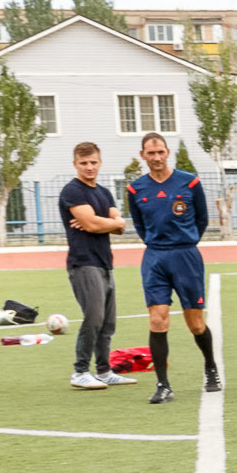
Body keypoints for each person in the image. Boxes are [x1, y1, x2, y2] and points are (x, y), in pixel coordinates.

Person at [125, 132, 219, 404]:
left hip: (186, 256)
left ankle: (211, 367)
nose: (156, 158)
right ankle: (163, 385)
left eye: (160, 152)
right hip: (155, 258)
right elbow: (140, 225)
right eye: (150, 153)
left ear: (168, 153)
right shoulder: (135, 189)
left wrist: (185, 242)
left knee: (195, 323)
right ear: (143, 155)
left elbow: (201, 218)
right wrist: (157, 245)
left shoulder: (189, 182)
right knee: (157, 319)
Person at [59, 141, 136, 390]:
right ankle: (80, 371)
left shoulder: (104, 192)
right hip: (84, 263)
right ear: (75, 165)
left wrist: (103, 221)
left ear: (100, 162)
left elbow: (121, 227)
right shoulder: (73, 192)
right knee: (94, 317)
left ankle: (103, 370)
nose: (89, 167)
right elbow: (93, 225)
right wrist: (106, 222)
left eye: (93, 162)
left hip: (105, 262)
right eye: (83, 163)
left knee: (108, 321)